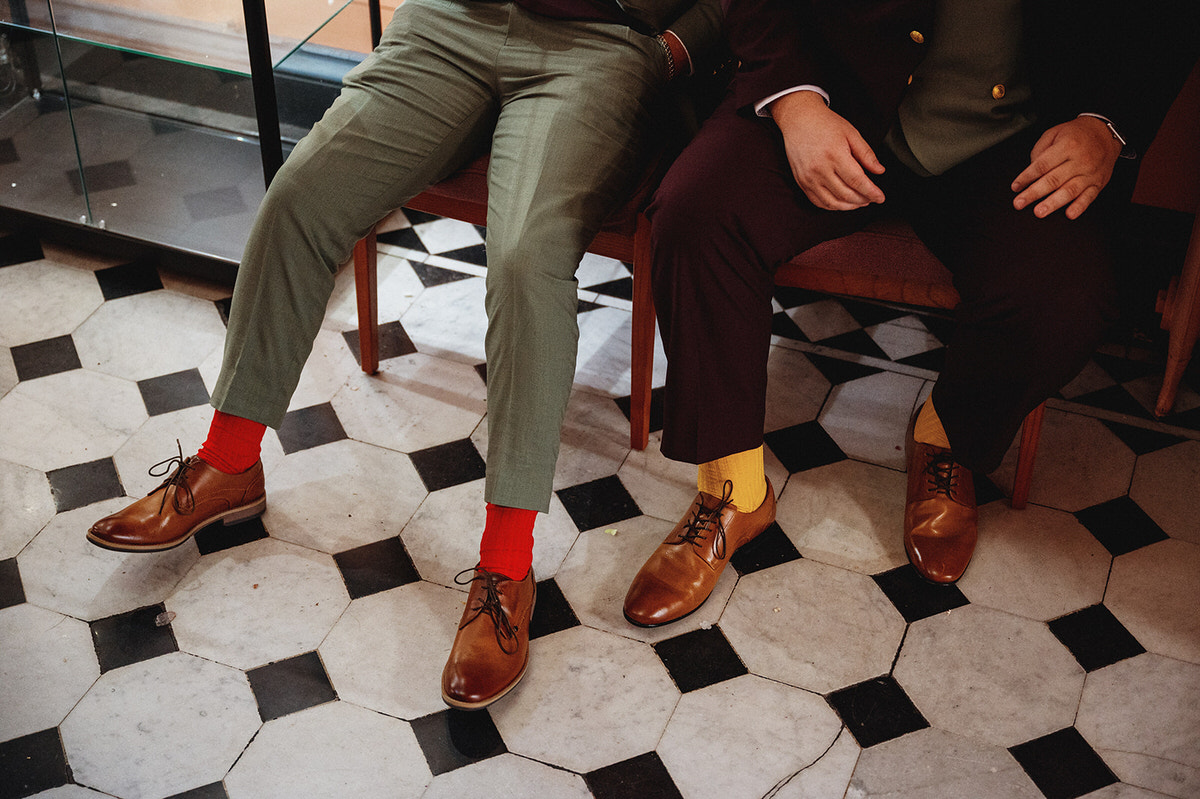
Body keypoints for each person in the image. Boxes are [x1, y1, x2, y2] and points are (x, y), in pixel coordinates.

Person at [87, 0, 722, 710]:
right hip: (456, 20)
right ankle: (229, 462)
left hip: (601, 43)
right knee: (302, 193)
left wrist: (674, 49)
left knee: (524, 257)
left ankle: (506, 568)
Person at [622, 0, 1199, 626]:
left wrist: (1106, 125)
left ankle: (945, 437)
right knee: (696, 216)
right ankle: (732, 491)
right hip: (831, 97)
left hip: (1014, 137)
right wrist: (796, 103)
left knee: (1067, 295)